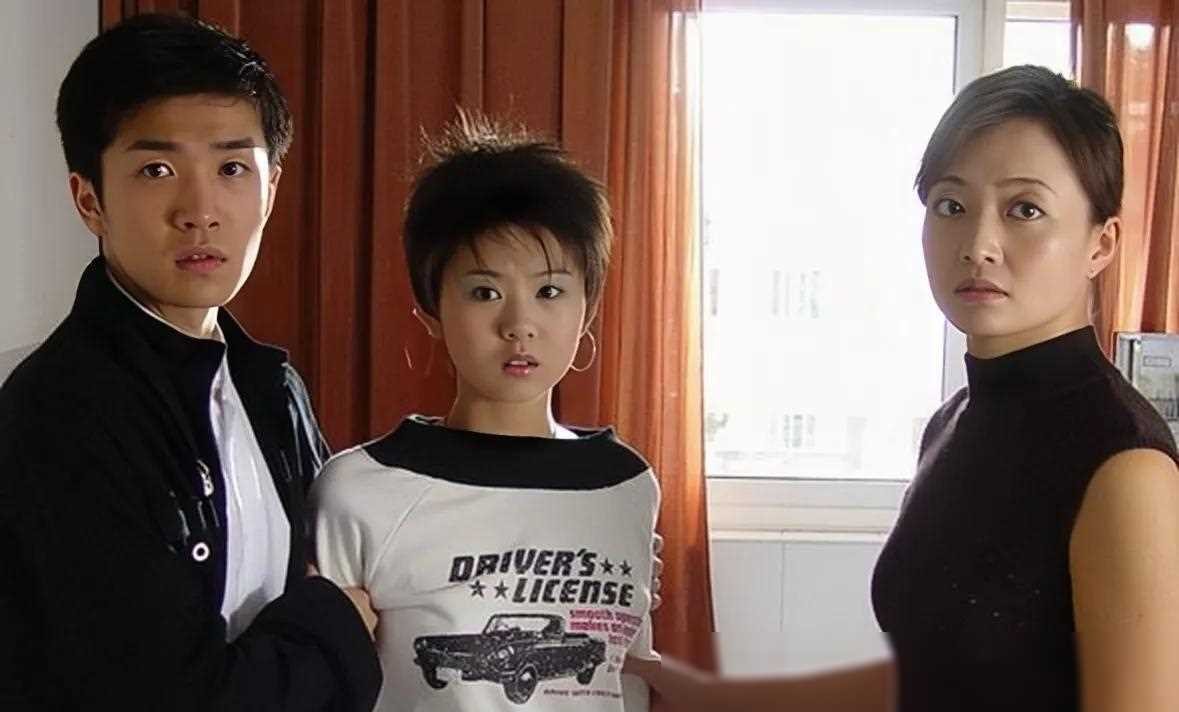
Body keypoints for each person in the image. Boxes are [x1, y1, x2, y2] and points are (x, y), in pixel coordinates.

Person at [627, 65, 1179, 712]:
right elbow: (929, 674)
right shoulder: (954, 421)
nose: (978, 244)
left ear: (1100, 244)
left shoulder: (1124, 465)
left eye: (1024, 210)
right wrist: (713, 695)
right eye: (951, 206)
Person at [0, 13, 380, 711]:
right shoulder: (57, 414)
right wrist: (336, 628)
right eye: (158, 169)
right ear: (89, 200)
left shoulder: (272, 390)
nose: (200, 211)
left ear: (270, 190)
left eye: (232, 168)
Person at [311, 114, 660, 711]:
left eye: (549, 291)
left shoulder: (624, 484)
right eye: (485, 292)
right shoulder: (361, 490)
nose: (519, 324)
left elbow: (625, 678)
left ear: (587, 310)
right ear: (431, 311)